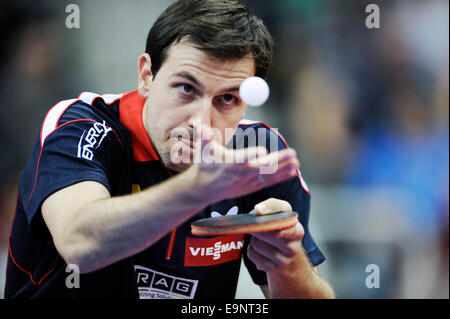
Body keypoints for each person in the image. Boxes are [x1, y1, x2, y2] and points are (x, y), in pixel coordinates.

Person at [5, 0, 334, 299]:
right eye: (186, 89)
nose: (201, 122)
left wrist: (286, 266)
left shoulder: (258, 154)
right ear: (147, 75)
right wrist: (196, 188)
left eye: (228, 99)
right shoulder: (80, 126)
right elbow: (79, 243)